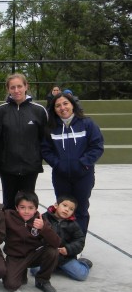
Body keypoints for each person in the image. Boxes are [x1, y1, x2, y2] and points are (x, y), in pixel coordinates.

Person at [41, 92, 104, 235]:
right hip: (61, 176)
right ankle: (63, 242)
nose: (62, 108)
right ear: (54, 109)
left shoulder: (87, 124)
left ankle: (77, 244)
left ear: (72, 105)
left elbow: (97, 146)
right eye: (58, 105)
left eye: (65, 103)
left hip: (83, 175)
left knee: (80, 209)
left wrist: (83, 163)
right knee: (62, 210)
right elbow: (45, 150)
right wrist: (57, 164)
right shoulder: (51, 127)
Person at [0, 73, 48, 209]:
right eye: (12, 87)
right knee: (9, 205)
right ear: (8, 89)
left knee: (27, 205)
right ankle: (8, 230)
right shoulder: (0, 111)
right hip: (7, 168)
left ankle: (27, 230)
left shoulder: (39, 110)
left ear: (26, 87)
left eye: (20, 86)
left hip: (30, 167)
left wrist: (37, 158)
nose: (16, 90)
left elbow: (45, 139)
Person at [3, 191, 61, 292]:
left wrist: (43, 228)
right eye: (22, 207)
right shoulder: (8, 216)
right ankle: (21, 272)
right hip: (15, 257)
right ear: (16, 208)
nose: (26, 211)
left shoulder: (41, 220)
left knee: (53, 251)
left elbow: (56, 242)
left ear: (36, 209)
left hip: (34, 254)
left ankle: (42, 280)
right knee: (10, 285)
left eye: (31, 208)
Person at [32, 196, 92, 281]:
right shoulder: (44, 219)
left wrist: (68, 249)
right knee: (35, 270)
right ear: (56, 205)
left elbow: (80, 241)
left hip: (65, 258)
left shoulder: (73, 224)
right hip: (47, 255)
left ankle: (83, 263)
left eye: (71, 209)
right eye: (64, 205)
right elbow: (35, 237)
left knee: (81, 275)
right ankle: (56, 267)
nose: (67, 210)